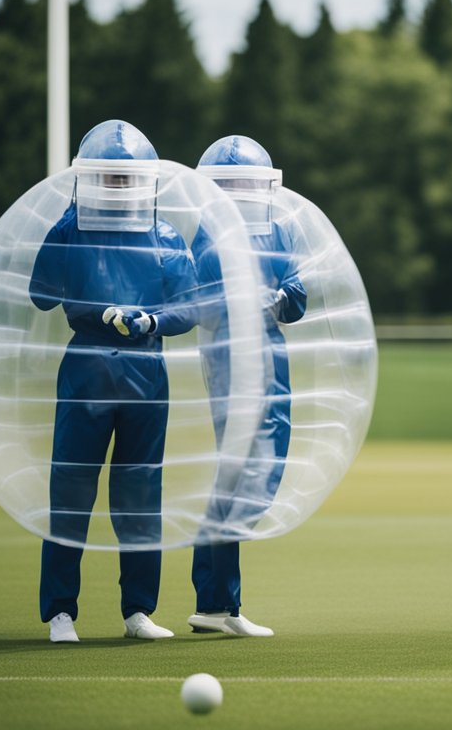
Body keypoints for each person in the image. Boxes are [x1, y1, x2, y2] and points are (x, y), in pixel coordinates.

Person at [29, 120, 199, 643]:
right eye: (110, 176)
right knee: (71, 489)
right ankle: (61, 611)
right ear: (91, 177)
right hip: (87, 370)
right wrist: (98, 310)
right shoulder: (70, 229)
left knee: (141, 493)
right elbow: (41, 295)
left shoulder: (164, 234)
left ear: (144, 180)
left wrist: (151, 321)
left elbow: (189, 307)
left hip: (147, 370)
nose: (119, 186)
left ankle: (138, 611)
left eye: (128, 177)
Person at [187, 135, 306, 638]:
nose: (238, 192)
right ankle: (217, 605)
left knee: (263, 467)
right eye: (229, 183)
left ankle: (219, 603)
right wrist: (237, 302)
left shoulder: (277, 230)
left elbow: (299, 293)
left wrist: (275, 300)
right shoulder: (206, 235)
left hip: (271, 358)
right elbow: (195, 295)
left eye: (247, 183)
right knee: (236, 471)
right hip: (228, 358)